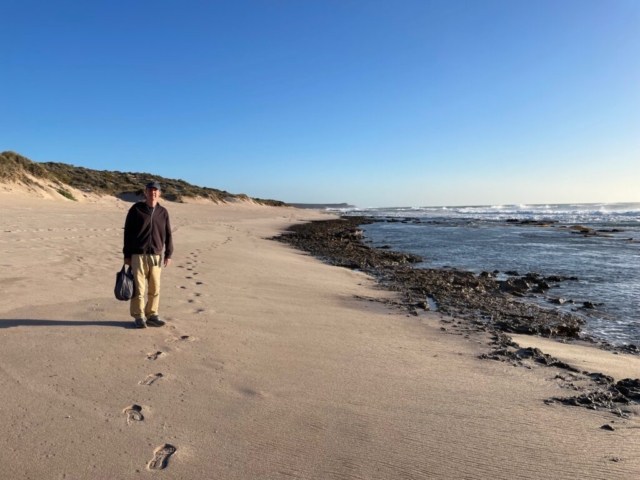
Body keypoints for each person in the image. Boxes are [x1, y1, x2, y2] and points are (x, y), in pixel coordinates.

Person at [123, 181, 173, 328]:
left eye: (156, 190)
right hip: (138, 255)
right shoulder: (136, 209)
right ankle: (139, 316)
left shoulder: (163, 212)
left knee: (155, 287)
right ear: (145, 192)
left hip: (156, 255)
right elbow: (128, 233)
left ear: (159, 193)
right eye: (150, 190)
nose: (153, 193)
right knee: (139, 288)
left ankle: (152, 314)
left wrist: (168, 253)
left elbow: (168, 233)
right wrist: (127, 255)